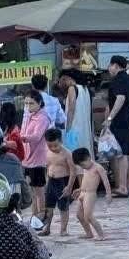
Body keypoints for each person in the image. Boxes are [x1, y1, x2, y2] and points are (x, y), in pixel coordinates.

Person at [103, 55, 129, 197]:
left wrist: (110, 118)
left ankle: (123, 187)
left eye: (110, 65)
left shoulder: (117, 80)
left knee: (121, 153)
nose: (109, 68)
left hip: (120, 121)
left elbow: (120, 98)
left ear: (116, 66)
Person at [20, 89, 52, 224]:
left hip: (38, 158)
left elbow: (37, 136)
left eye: (31, 103)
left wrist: (23, 138)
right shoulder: (28, 116)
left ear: (39, 103)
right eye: (26, 103)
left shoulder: (42, 118)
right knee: (32, 190)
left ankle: (42, 214)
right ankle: (34, 215)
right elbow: (23, 132)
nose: (28, 106)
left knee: (39, 190)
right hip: (27, 158)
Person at [40, 130, 75, 237]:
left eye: (55, 145)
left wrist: (69, 186)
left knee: (63, 207)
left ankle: (63, 229)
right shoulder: (47, 152)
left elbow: (73, 171)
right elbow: (48, 167)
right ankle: (47, 228)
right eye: (50, 146)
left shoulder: (67, 153)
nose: (53, 148)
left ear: (61, 141)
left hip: (62, 182)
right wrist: (46, 182)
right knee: (48, 207)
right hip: (51, 181)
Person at [70, 147, 110, 241]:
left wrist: (108, 193)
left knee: (88, 216)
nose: (83, 167)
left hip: (90, 194)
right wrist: (79, 189)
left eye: (83, 164)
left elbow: (105, 181)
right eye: (80, 166)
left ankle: (101, 235)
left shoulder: (98, 167)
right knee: (79, 215)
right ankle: (89, 233)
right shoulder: (85, 168)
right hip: (82, 193)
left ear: (89, 157)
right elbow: (86, 181)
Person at [59, 70, 93, 152]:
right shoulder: (85, 89)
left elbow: (71, 108)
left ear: (69, 78)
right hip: (84, 128)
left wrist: (68, 128)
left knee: (72, 151)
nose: (62, 83)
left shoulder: (72, 88)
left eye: (63, 80)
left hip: (74, 127)